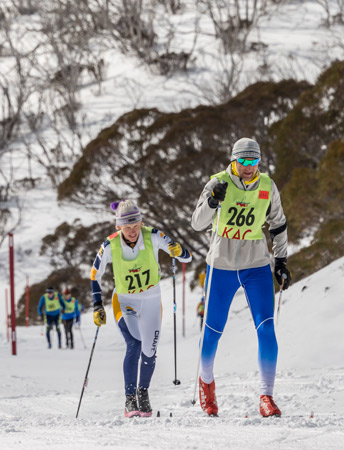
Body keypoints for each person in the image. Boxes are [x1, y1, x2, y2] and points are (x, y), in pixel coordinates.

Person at [190, 137, 291, 418]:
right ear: (234, 161)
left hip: (256, 264)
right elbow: (197, 223)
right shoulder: (218, 182)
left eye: (254, 161)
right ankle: (206, 383)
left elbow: (279, 224)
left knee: (266, 327)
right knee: (212, 332)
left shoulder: (267, 186)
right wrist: (212, 201)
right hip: (221, 265)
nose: (249, 167)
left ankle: (266, 396)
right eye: (243, 161)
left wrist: (281, 259)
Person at [90, 199, 192, 418]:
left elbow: (186, 256)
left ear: (141, 223)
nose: (133, 231)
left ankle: (142, 393)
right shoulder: (110, 245)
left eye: (136, 226)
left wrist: (178, 250)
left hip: (152, 300)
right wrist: (98, 305)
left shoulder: (153, 235)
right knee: (134, 343)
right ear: (118, 227)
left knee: (150, 350)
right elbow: (94, 275)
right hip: (125, 301)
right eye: (127, 227)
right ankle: (129, 398)